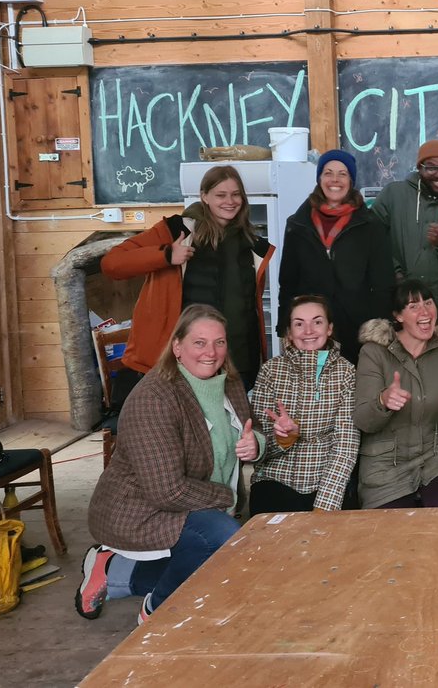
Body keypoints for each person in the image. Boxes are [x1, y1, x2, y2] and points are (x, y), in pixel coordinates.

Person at [76, 305, 264, 625]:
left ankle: (114, 570)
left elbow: (251, 429)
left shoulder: (229, 382)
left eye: (219, 342)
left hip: (197, 501)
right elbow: (167, 491)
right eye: (199, 342)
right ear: (177, 347)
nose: (211, 352)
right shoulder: (155, 397)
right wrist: (226, 499)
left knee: (228, 570)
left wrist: (257, 443)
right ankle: (154, 609)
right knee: (220, 540)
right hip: (144, 508)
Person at [101, 164, 272, 399]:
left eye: (236, 195)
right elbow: (112, 263)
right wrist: (165, 255)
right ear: (204, 196)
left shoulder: (253, 244)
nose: (229, 201)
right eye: (220, 195)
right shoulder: (175, 231)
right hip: (181, 363)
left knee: (231, 433)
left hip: (237, 364)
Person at [353, 278, 438, 508]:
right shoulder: (374, 352)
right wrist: (383, 401)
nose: (425, 311)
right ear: (398, 316)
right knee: (392, 532)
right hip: (385, 463)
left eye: (428, 302)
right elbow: (363, 420)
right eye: (413, 306)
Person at [277, 149, 394, 364]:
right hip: (311, 331)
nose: (335, 180)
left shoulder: (371, 225)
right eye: (328, 173)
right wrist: (284, 325)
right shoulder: (297, 224)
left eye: (343, 174)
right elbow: (287, 282)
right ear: (319, 178)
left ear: (351, 180)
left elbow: (383, 283)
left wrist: (379, 328)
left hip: (358, 329)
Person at [249, 294, 359, 514]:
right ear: (289, 332)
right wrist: (284, 437)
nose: (308, 331)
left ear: (329, 329)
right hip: (275, 477)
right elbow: (258, 446)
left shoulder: (346, 371)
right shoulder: (271, 371)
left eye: (317, 322)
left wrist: (326, 503)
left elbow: (346, 444)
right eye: (299, 324)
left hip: (326, 480)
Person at [370, 139, 438, 329]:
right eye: (431, 167)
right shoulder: (394, 196)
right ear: (419, 167)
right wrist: (396, 273)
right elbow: (371, 240)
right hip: (402, 306)